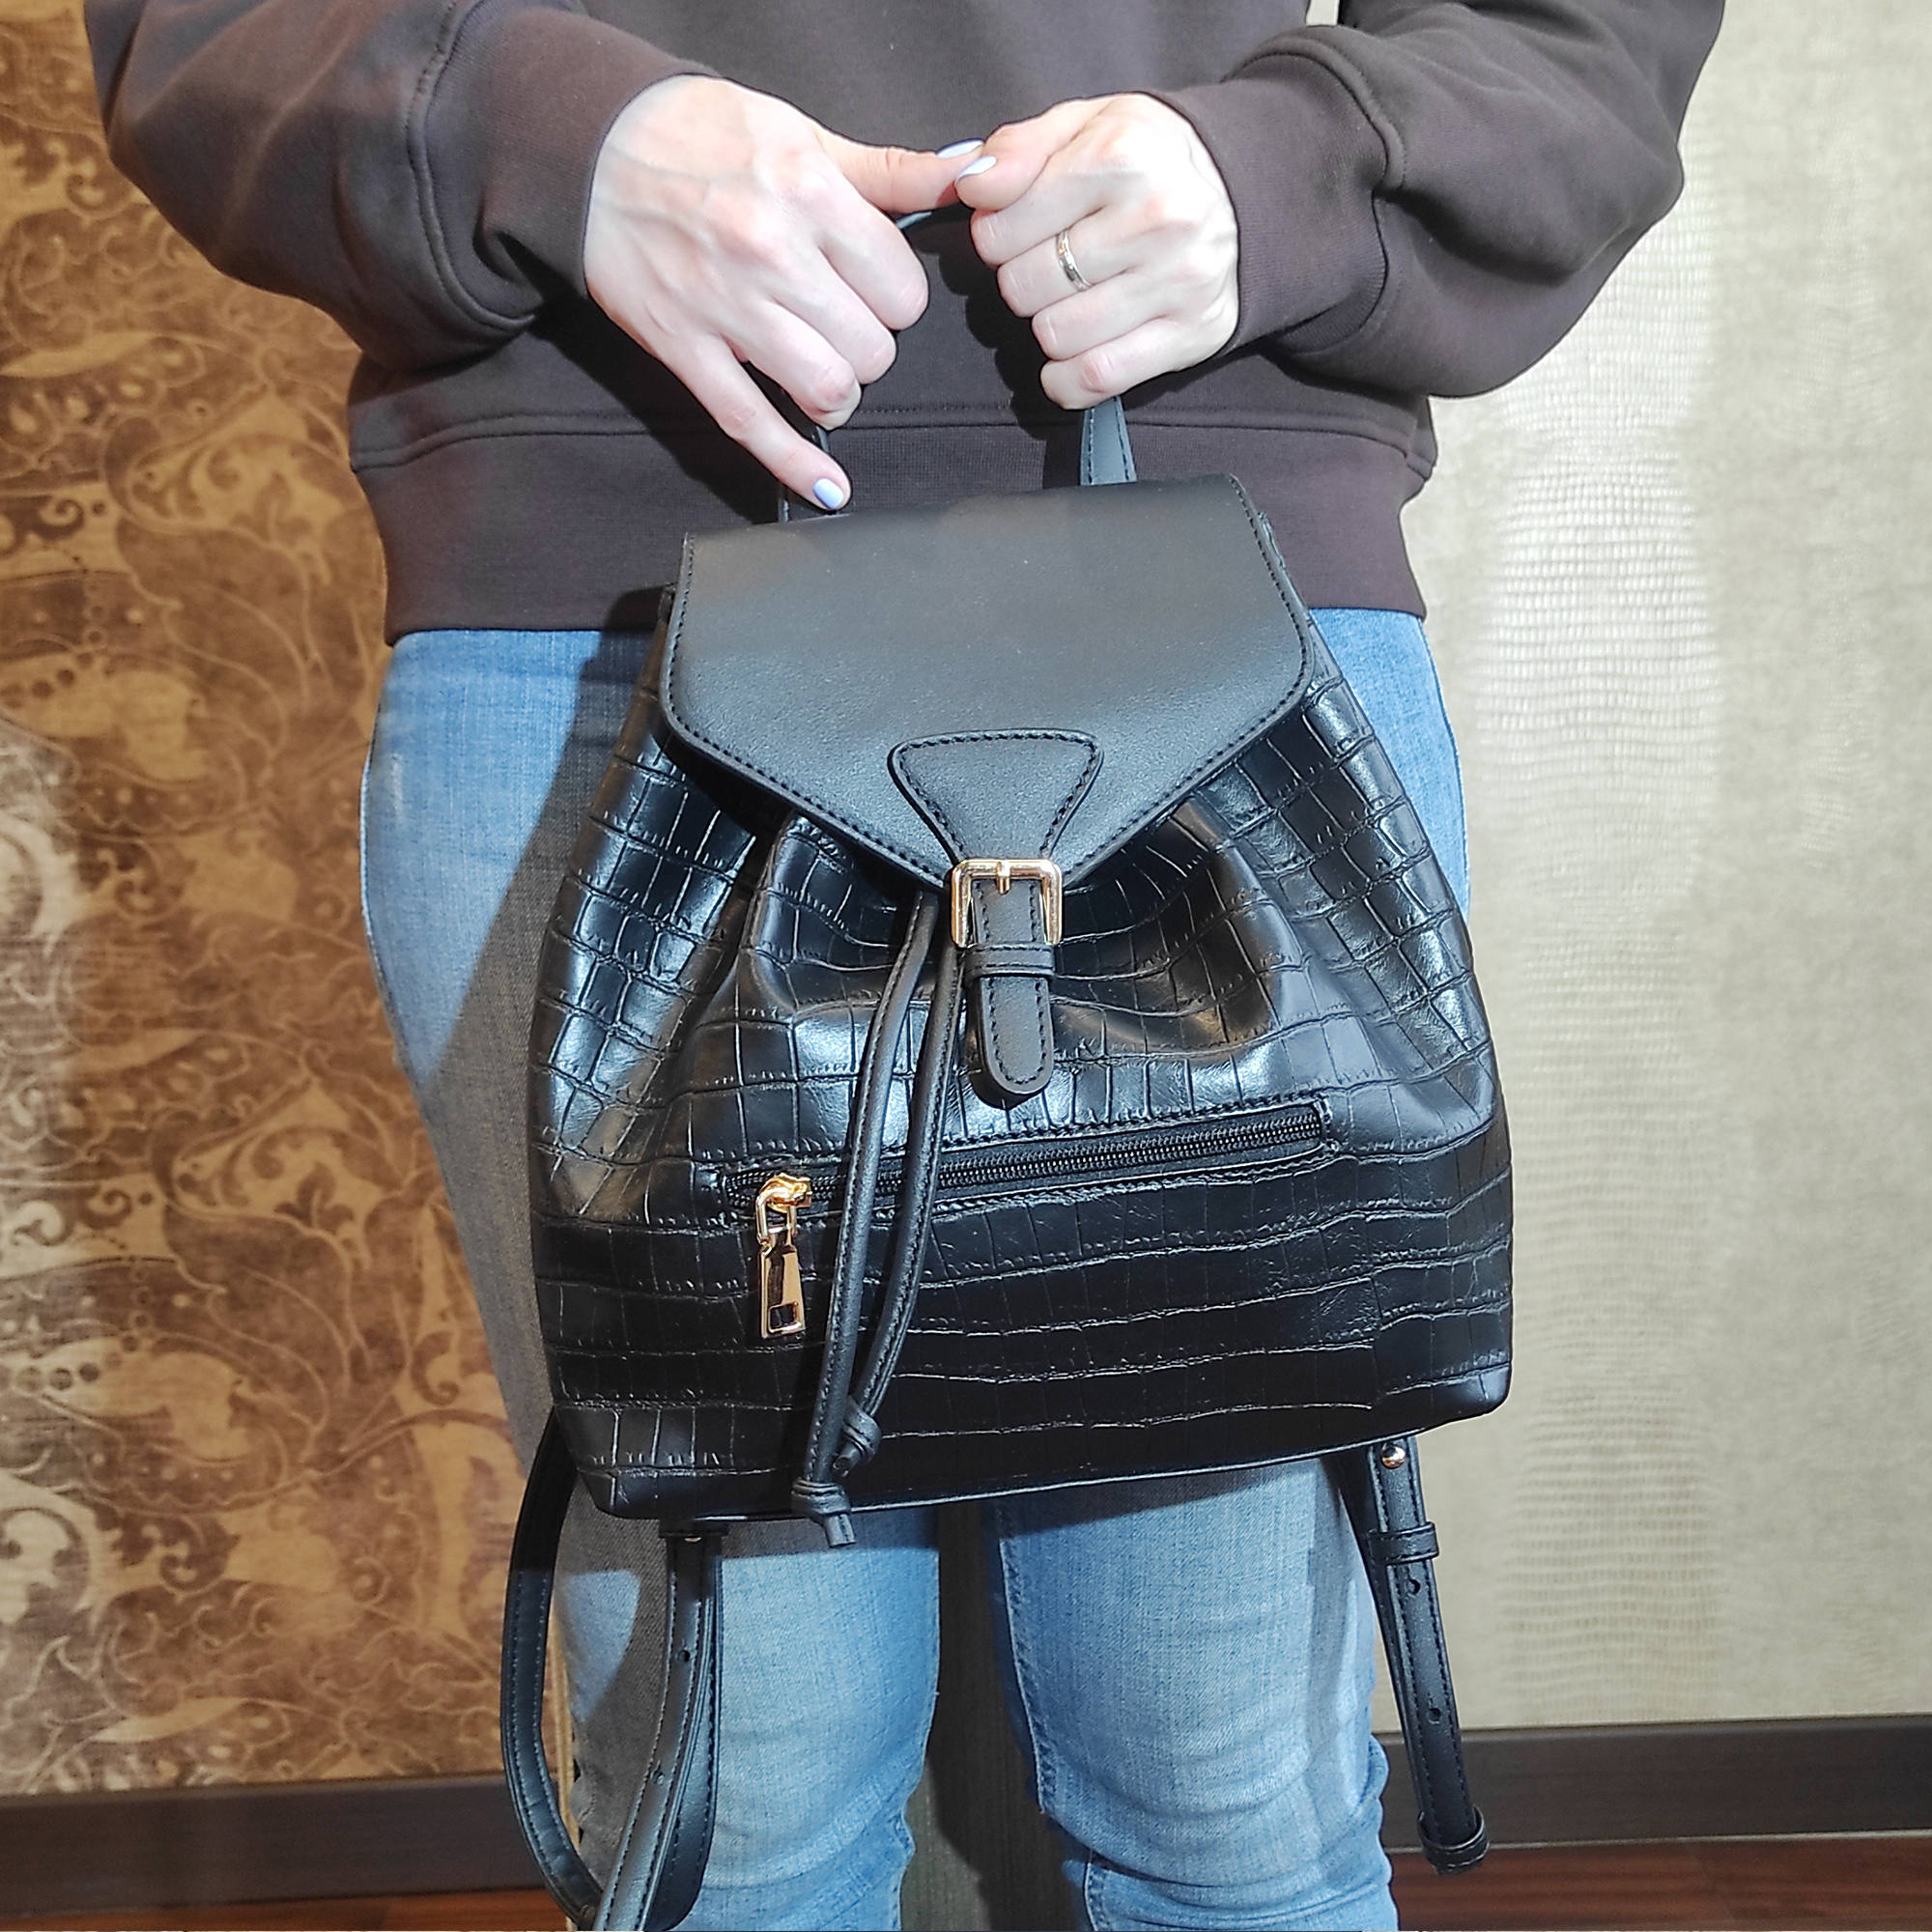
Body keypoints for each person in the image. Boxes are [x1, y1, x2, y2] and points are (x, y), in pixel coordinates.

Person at [85, 5, 1721, 1926]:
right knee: (739, 1816)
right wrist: (555, 135)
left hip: (1213, 621)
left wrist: (1286, 169)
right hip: (601, 601)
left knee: (1224, 1801)